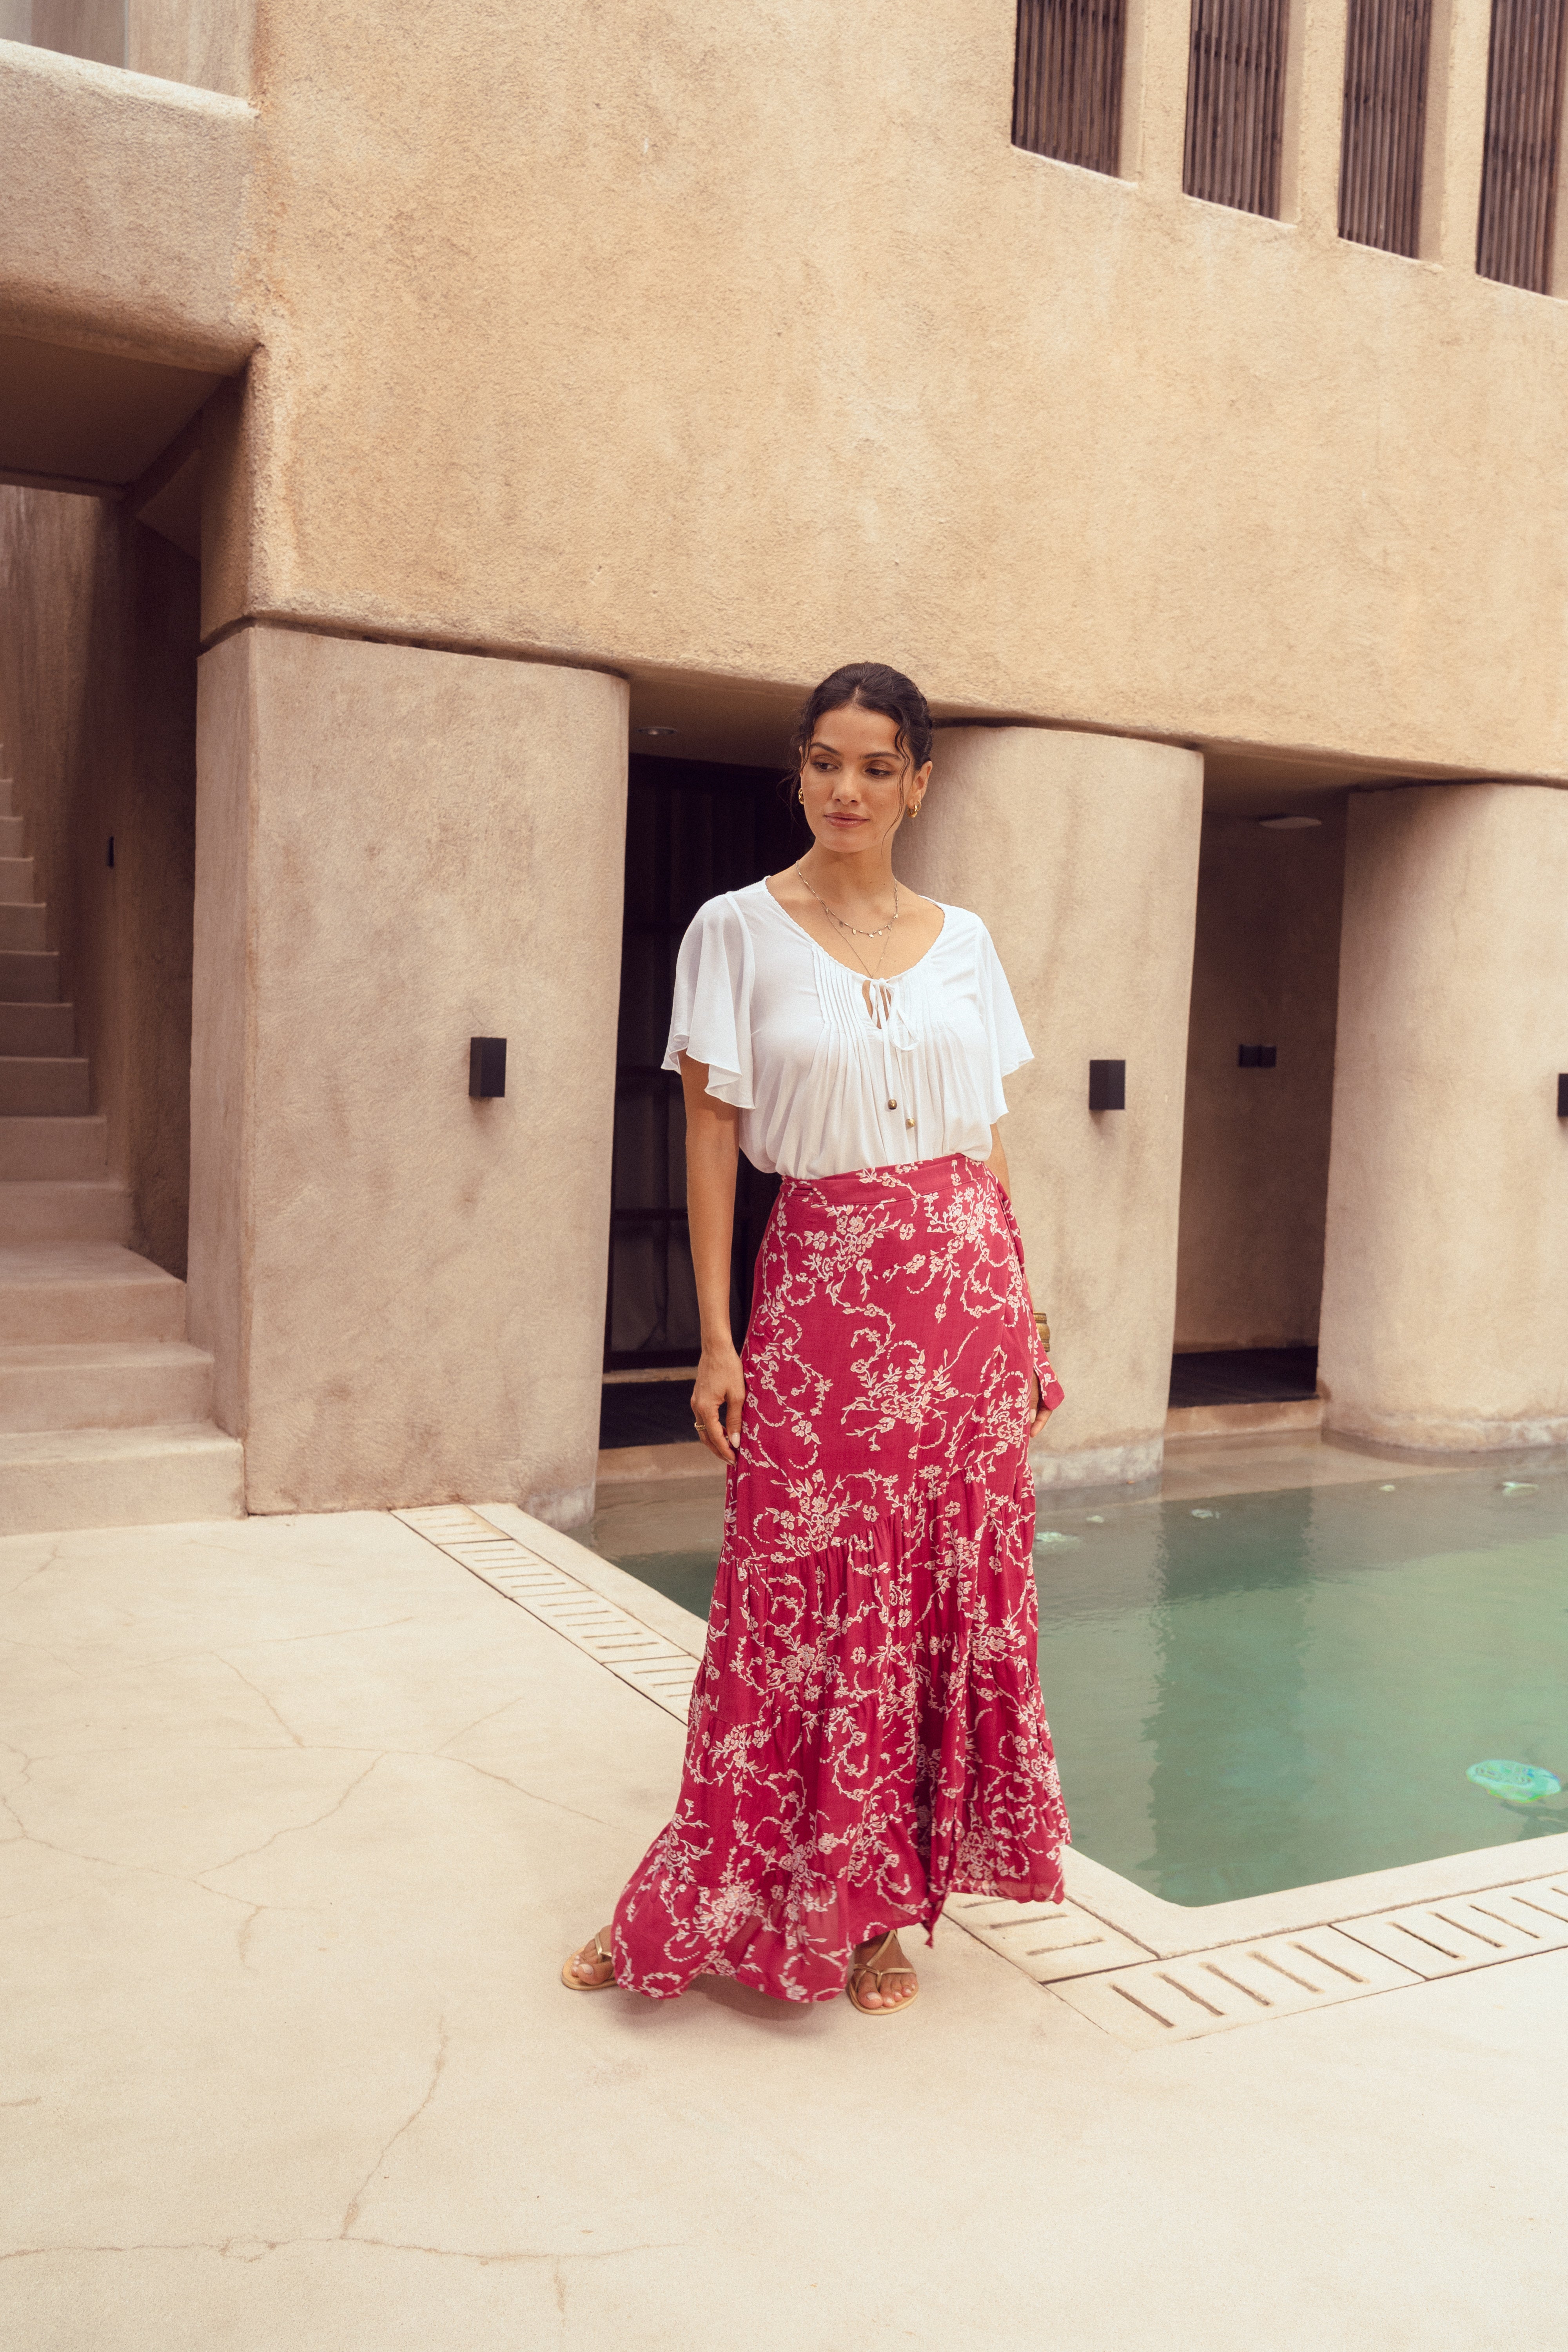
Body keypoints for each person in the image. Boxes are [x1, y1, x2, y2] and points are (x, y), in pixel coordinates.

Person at [564, 662, 1068, 2014]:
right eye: (824, 761)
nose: (846, 788)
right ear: (799, 771)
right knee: (789, 1604)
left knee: (927, 1608)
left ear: (919, 781)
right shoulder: (735, 928)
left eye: (874, 765)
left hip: (963, 1301)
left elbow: (988, 1137)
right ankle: (698, 1887)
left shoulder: (964, 938)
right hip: (824, 1296)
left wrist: (1022, 1310)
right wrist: (716, 1338)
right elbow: (714, 1133)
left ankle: (875, 1912)